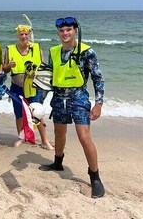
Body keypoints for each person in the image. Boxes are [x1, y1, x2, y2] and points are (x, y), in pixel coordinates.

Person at [39, 17, 105, 198]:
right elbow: (48, 79)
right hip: (59, 98)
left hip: (78, 98)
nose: (65, 33)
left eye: (68, 29)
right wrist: (38, 102)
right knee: (59, 133)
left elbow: (97, 77)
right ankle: (57, 162)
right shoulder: (53, 52)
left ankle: (95, 177)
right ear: (58, 33)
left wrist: (98, 103)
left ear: (75, 30)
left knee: (84, 137)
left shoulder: (86, 51)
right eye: (62, 31)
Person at [3, 24, 54, 149]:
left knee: (38, 113)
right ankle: (22, 137)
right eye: (21, 34)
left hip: (34, 87)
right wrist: (9, 66)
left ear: (29, 35)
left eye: (26, 34)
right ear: (17, 35)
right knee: (19, 115)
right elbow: (4, 70)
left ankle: (44, 140)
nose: (24, 36)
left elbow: (43, 67)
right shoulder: (10, 49)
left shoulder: (36, 48)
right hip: (17, 87)